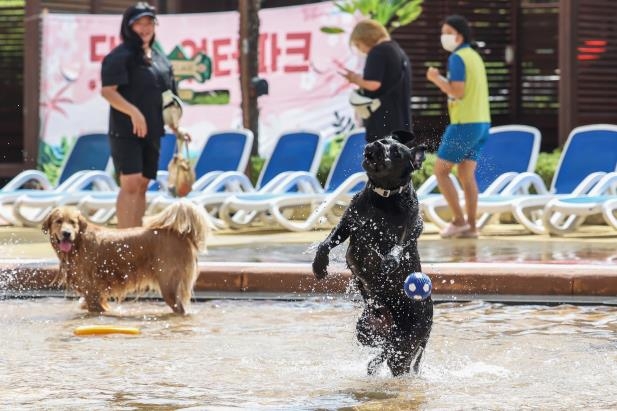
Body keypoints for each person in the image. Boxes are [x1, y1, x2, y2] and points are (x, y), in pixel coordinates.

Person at [101, 2, 185, 228]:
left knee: (143, 184)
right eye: (139, 23)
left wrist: (176, 127)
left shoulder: (160, 58)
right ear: (129, 27)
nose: (145, 28)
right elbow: (108, 91)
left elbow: (169, 97)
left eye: (149, 22)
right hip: (126, 131)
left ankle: (136, 237)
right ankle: (122, 240)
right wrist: (134, 113)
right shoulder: (120, 56)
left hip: (154, 130)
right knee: (130, 183)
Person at [426, 15, 491, 239]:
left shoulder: (457, 57)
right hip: (482, 123)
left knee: (441, 171)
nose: (443, 37)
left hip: (464, 123)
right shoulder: (475, 56)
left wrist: (436, 78)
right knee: (465, 174)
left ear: (459, 36)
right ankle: (472, 227)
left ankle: (458, 220)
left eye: (447, 32)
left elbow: (457, 91)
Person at [342, 19, 412, 143]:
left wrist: (355, 79)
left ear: (366, 37)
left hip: (382, 122)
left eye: (358, 45)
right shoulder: (397, 50)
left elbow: (373, 84)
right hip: (401, 121)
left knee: (379, 160)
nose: (361, 50)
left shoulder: (377, 52)